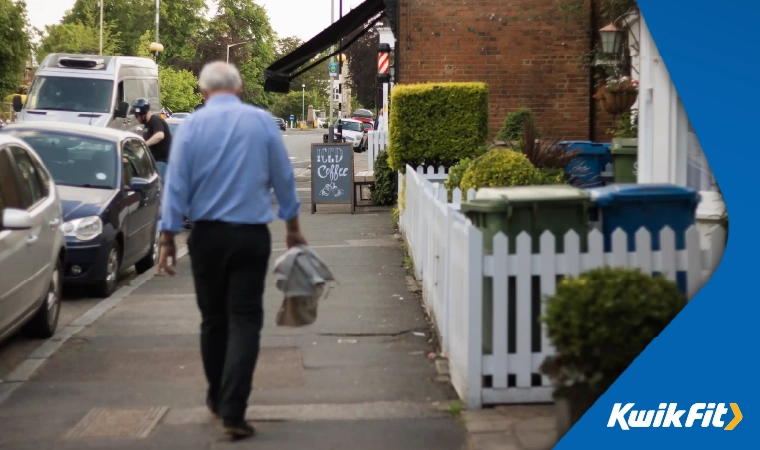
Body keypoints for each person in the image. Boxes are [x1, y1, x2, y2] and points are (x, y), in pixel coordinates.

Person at [157, 61, 306, 439]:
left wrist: (167, 237)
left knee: (213, 320)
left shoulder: (190, 126)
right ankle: (234, 409)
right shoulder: (260, 123)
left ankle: (215, 395)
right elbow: (282, 177)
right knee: (244, 319)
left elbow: (175, 184)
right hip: (250, 237)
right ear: (239, 89)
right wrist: (292, 227)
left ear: (204, 93)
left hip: (206, 238)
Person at [130, 98, 172, 180]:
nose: (136, 118)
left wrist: (144, 144)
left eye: (136, 116)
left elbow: (160, 135)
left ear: (142, 114)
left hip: (162, 161)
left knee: (158, 185)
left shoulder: (155, 120)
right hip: (153, 161)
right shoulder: (147, 125)